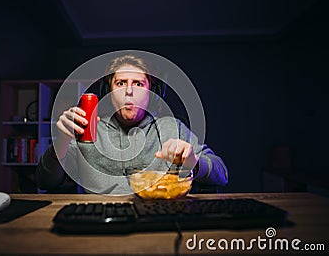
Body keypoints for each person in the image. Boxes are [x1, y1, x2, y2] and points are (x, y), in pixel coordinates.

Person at [36, 55, 228, 194]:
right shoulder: (88, 131)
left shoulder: (172, 128)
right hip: (101, 223)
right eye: (120, 83)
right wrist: (61, 141)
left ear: (151, 92)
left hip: (158, 221)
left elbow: (222, 174)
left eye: (138, 84)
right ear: (109, 91)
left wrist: (193, 162)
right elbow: (44, 181)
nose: (129, 91)